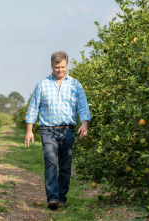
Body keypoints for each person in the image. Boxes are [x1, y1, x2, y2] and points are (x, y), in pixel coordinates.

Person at [24, 51, 91, 210]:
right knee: (51, 162)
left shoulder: (75, 85)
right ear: (51, 66)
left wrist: (84, 124)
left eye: (63, 67)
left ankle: (62, 198)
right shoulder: (42, 85)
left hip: (68, 130)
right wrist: (29, 130)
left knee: (66, 167)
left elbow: (83, 107)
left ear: (67, 65)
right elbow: (33, 108)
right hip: (48, 130)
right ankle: (52, 199)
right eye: (57, 67)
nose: (60, 70)